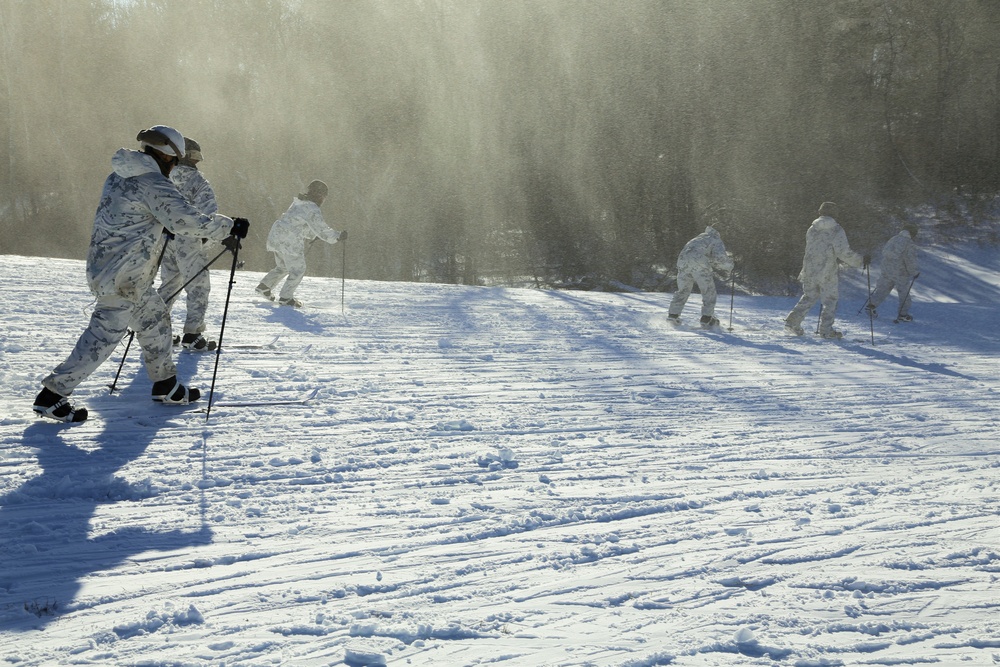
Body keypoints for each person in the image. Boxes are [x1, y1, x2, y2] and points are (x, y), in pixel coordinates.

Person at [32, 125, 248, 423]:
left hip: (119, 271)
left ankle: (166, 385)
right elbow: (185, 219)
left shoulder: (119, 176)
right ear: (168, 157)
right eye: (174, 162)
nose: (174, 168)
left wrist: (160, 228)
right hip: (124, 277)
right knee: (102, 338)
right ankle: (52, 395)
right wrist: (230, 226)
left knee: (155, 319)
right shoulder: (152, 183)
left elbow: (139, 218)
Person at [157, 137, 221, 351]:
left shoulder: (163, 177)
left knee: (169, 284)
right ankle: (192, 335)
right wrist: (208, 240)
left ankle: (157, 331)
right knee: (198, 286)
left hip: (164, 239)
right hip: (189, 240)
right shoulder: (198, 182)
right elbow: (209, 214)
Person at [255, 180, 345, 307]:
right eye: (324, 196)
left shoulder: (299, 202)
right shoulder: (312, 208)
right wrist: (337, 236)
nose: (323, 200)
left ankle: (264, 286)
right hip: (289, 240)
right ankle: (286, 298)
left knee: (284, 267)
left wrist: (313, 235)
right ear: (319, 195)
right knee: (298, 269)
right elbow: (321, 228)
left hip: (277, 235)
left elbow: (297, 223)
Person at [784, 202, 867, 339]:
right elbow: (843, 252)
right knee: (830, 300)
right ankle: (826, 330)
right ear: (835, 213)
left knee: (809, 296)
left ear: (820, 212)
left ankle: (792, 322)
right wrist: (860, 260)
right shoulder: (836, 230)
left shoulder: (812, 229)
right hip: (827, 270)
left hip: (809, 268)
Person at [667, 225, 734, 327]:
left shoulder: (698, 238)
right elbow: (719, 259)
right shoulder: (715, 239)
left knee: (683, 290)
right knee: (708, 291)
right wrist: (730, 266)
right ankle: (707, 318)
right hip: (699, 265)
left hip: (682, 264)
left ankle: (673, 315)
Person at [865, 224, 919, 322]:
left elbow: (884, 253)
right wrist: (914, 272)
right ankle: (903, 314)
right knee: (904, 294)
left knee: (882, 290)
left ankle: (871, 306)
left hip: (887, 270)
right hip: (900, 272)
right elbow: (910, 259)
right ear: (912, 233)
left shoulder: (893, 239)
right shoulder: (909, 243)